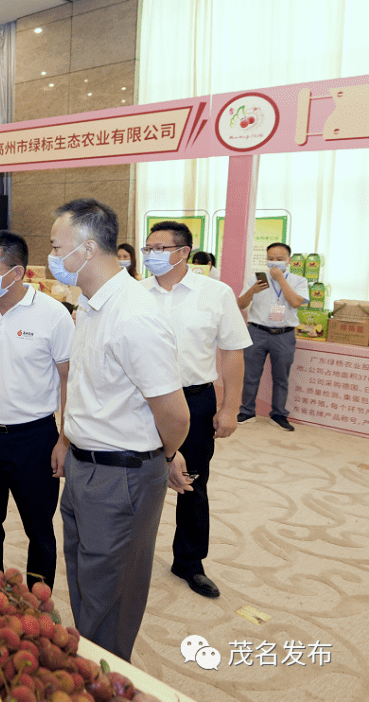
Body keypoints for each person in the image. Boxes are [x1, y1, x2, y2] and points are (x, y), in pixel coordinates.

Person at [48, 198, 191, 663]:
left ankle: (106, 679)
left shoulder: (135, 315)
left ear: (87, 249)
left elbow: (175, 414)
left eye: (56, 246)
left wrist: (164, 457)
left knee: (111, 601)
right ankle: (87, 668)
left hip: (122, 477)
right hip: (84, 466)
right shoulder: (89, 305)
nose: (51, 256)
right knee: (87, 585)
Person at [0, 231, 73, 587]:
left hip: (34, 438)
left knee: (39, 526)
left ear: (17, 272)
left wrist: (65, 439)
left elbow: (69, 380)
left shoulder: (53, 315)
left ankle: (39, 600)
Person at [141, 221, 252, 599]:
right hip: (141, 401)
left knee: (192, 481)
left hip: (195, 398)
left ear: (184, 251)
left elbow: (233, 352)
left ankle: (189, 562)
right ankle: (131, 557)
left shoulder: (216, 294)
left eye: (159, 248)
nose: (150, 254)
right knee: (138, 480)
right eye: (148, 247)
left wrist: (230, 408)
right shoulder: (133, 294)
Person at [237, 242, 307, 431]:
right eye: (271, 258)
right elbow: (241, 304)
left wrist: (281, 280)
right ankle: (247, 411)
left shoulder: (299, 281)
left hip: (284, 335)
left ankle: (278, 414)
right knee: (251, 375)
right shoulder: (255, 278)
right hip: (257, 331)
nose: (274, 262)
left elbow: (295, 302)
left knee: (281, 377)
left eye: (279, 259)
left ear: (289, 260)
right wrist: (253, 290)